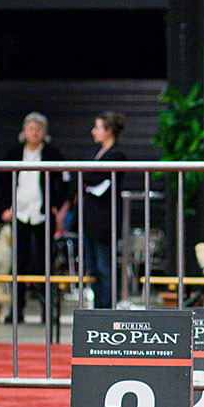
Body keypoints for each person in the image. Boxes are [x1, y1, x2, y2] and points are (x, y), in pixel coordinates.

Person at [0, 112, 72, 322]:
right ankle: (17, 310)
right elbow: (0, 182)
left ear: (44, 132)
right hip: (19, 214)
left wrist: (57, 207)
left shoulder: (53, 154)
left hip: (43, 215)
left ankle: (47, 310)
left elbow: (65, 183)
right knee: (18, 262)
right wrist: (5, 208)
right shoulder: (13, 153)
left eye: (39, 129)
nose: (35, 133)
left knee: (44, 262)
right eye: (31, 129)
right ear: (24, 131)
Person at [80, 111, 127, 309]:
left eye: (97, 128)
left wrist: (88, 179)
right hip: (91, 219)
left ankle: (107, 307)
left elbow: (93, 178)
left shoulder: (116, 155)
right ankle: (98, 305)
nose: (93, 131)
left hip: (105, 219)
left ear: (109, 131)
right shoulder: (99, 154)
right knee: (93, 267)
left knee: (104, 266)